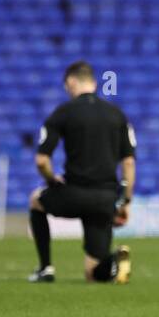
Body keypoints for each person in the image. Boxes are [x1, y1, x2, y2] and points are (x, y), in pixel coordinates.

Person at [28, 60, 136, 284]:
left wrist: (51, 180)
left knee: (36, 201)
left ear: (71, 82)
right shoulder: (117, 115)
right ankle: (113, 260)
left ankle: (46, 268)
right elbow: (129, 163)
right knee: (92, 274)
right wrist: (125, 201)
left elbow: (41, 161)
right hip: (105, 199)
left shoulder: (64, 112)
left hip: (73, 194)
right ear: (94, 83)